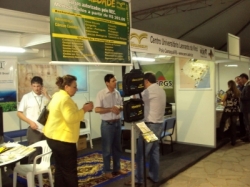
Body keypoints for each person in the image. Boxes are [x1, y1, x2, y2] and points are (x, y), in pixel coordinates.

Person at [44, 75, 93, 187]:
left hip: (52, 137)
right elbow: (71, 118)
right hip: (63, 140)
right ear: (66, 87)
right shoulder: (65, 99)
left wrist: (81, 110)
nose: (76, 89)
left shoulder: (57, 95)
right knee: (70, 171)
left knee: (60, 168)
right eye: (74, 87)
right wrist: (84, 109)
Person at [125, 72, 166, 186]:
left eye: (142, 82)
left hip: (149, 126)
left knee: (141, 153)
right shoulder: (161, 90)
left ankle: (138, 179)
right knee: (154, 152)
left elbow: (135, 98)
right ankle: (154, 176)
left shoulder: (149, 90)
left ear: (146, 81)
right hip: (158, 125)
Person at [94, 74, 126, 179]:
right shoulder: (101, 94)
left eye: (115, 80)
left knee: (117, 148)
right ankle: (107, 170)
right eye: (113, 81)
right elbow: (97, 109)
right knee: (107, 149)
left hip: (117, 123)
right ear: (107, 83)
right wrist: (110, 109)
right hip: (107, 125)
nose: (115, 82)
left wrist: (119, 108)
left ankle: (117, 168)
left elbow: (122, 106)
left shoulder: (117, 93)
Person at [17, 76, 51, 163]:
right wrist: (30, 122)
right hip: (34, 129)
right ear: (31, 86)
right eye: (34, 86)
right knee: (34, 152)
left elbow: (54, 108)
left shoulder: (46, 97)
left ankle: (44, 172)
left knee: (46, 152)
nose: (36, 88)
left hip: (46, 129)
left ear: (42, 86)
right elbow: (19, 113)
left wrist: (47, 95)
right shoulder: (26, 97)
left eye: (38, 86)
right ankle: (33, 174)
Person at [219, 80, 240, 145]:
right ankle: (233, 141)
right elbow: (239, 101)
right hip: (235, 110)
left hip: (228, 110)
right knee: (233, 125)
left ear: (229, 85)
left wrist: (223, 103)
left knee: (222, 122)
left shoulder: (228, 92)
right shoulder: (238, 92)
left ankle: (221, 137)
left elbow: (223, 100)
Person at [239, 73, 250, 142]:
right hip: (246, 108)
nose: (240, 80)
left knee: (248, 123)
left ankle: (248, 137)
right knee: (246, 123)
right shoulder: (246, 85)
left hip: (247, 108)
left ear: (244, 78)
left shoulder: (248, 86)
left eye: (240, 79)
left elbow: (247, 97)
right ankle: (247, 136)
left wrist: (239, 97)